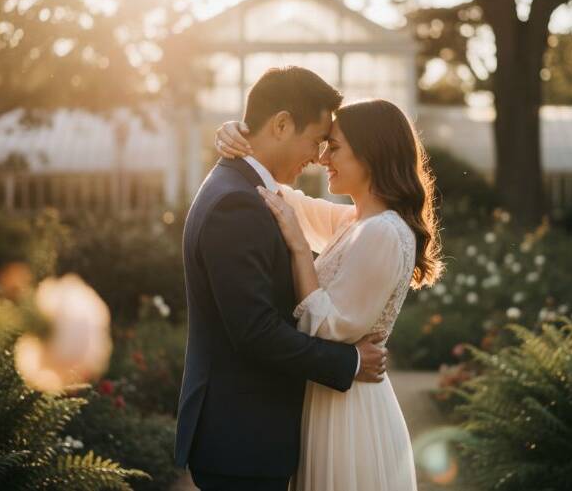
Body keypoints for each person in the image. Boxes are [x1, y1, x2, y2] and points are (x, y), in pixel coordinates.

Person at [175, 66, 389, 491]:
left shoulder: (248, 189)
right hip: (242, 440)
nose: (318, 156)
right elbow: (254, 331)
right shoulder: (236, 203)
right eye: (316, 141)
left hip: (246, 438)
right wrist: (349, 362)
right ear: (281, 124)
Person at [215, 97, 444, 491]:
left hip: (348, 410)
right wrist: (239, 138)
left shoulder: (383, 232)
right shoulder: (356, 222)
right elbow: (288, 202)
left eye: (334, 147)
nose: (322, 158)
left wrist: (301, 250)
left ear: (371, 155)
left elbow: (329, 329)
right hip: (332, 397)